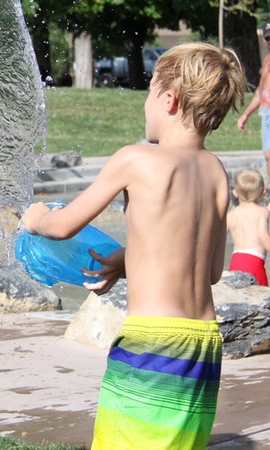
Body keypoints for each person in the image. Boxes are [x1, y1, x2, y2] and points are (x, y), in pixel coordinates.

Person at [22, 42, 245, 449]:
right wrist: (125, 260)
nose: (145, 104)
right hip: (203, 346)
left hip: (152, 343)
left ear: (169, 99)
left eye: (148, 94)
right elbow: (209, 270)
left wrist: (34, 218)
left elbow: (62, 226)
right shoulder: (216, 172)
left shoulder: (136, 159)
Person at [236, 22, 270, 183]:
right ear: (264, 40)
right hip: (266, 111)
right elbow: (259, 92)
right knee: (268, 156)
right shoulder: (267, 61)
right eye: (269, 38)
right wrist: (245, 115)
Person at [226, 168, 270, 285]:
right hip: (254, 263)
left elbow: (218, 237)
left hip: (235, 261)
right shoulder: (262, 212)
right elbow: (263, 235)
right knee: (261, 299)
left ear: (234, 192)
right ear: (262, 192)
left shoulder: (231, 215)